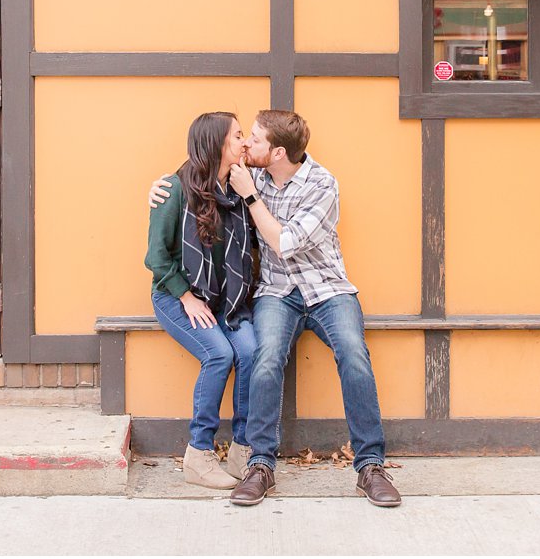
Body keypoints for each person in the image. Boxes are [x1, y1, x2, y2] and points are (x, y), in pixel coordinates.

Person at [151, 109, 402, 508]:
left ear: (279, 152)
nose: (247, 144)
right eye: (242, 136)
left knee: (354, 354)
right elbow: (195, 188)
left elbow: (284, 242)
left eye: (253, 138)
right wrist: (161, 189)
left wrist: (249, 195)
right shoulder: (250, 177)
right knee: (265, 357)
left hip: (326, 289)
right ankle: (260, 464)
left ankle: (370, 466)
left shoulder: (319, 184)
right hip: (276, 291)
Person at [144, 111, 258, 489]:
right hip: (176, 295)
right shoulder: (174, 190)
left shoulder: (239, 189)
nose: (244, 142)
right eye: (238, 136)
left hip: (226, 300)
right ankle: (199, 454)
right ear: (217, 144)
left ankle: (244, 453)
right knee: (220, 355)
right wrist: (187, 297)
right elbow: (156, 259)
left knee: (250, 352)